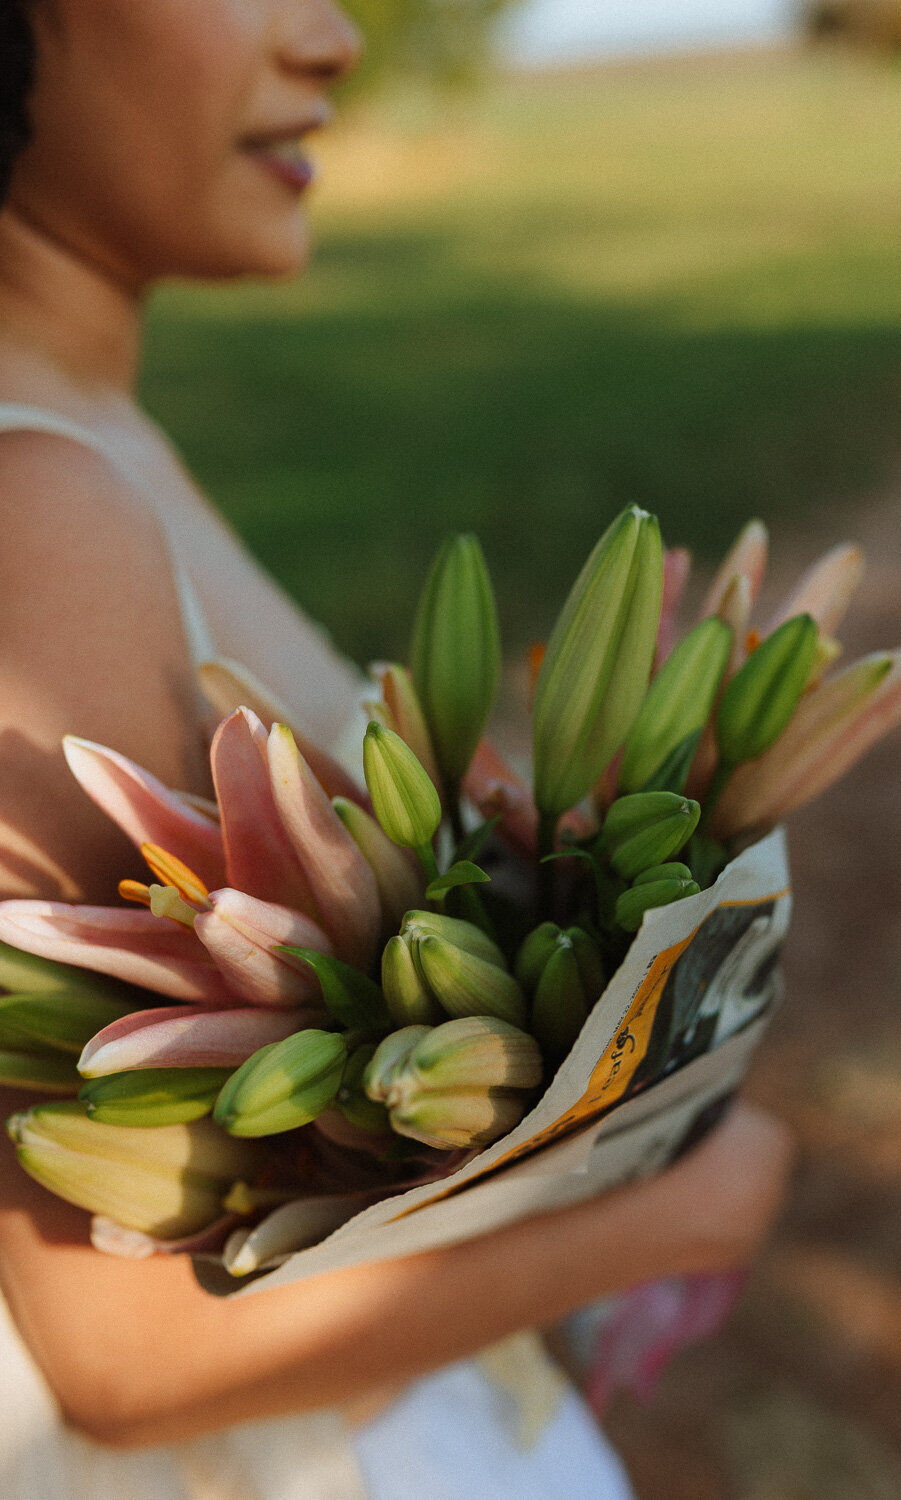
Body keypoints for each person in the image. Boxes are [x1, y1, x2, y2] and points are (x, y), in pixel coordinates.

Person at [0, 2, 794, 1495]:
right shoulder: (37, 510)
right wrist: (673, 1209)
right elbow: (116, 1355)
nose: (337, 36)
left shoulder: (95, 433)